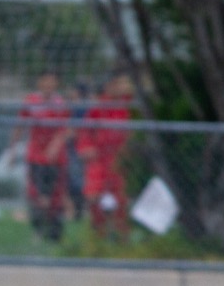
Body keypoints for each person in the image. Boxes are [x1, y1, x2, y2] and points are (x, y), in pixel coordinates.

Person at [13, 70, 72, 242]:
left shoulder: (60, 103)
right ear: (39, 83)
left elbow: (67, 129)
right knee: (37, 196)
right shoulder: (31, 101)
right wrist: (13, 148)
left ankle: (55, 233)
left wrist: (56, 144)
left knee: (54, 197)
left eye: (52, 82)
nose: (48, 85)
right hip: (36, 157)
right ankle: (38, 229)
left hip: (55, 159)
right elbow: (20, 124)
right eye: (45, 81)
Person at [78, 70, 135, 241]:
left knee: (121, 202)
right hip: (100, 161)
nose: (122, 87)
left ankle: (122, 238)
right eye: (118, 84)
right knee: (93, 197)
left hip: (120, 162)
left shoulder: (128, 106)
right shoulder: (99, 107)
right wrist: (86, 148)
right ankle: (98, 235)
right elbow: (85, 133)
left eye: (124, 84)